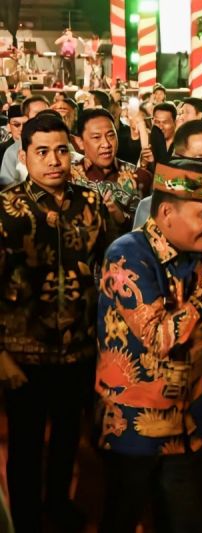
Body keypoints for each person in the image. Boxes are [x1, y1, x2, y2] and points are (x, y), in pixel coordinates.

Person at [96, 157, 202, 533]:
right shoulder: (127, 253)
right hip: (134, 427)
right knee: (123, 517)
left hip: (188, 419)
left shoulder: (199, 253)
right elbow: (158, 339)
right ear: (167, 212)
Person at [0, 113, 108, 533]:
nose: (53, 160)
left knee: (67, 438)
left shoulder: (91, 204)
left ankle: (59, 505)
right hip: (22, 353)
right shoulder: (6, 209)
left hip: (79, 348)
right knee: (26, 445)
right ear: (24, 155)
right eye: (42, 151)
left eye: (61, 150)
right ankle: (27, 519)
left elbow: (107, 269)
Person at [71, 108, 153, 233]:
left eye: (111, 135)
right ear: (80, 142)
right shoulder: (69, 177)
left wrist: (122, 218)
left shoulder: (141, 177)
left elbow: (152, 229)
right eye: (96, 137)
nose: (106, 144)